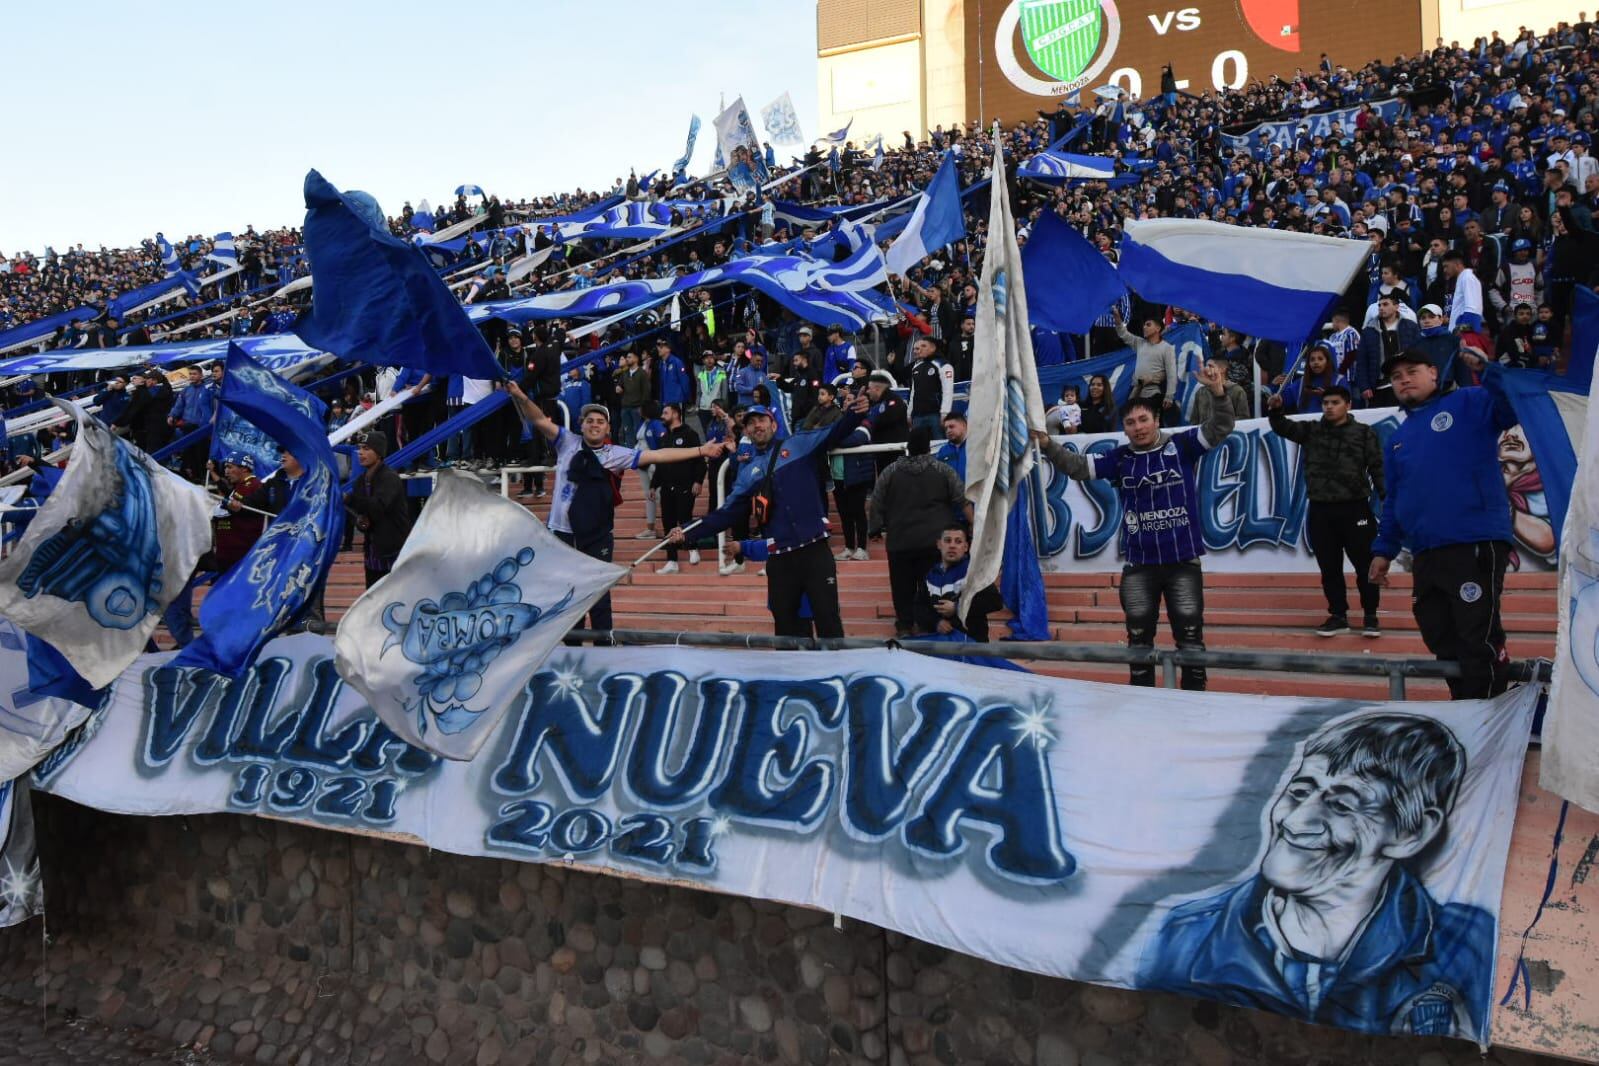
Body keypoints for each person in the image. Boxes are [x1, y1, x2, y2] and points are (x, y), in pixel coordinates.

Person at [1139, 712, 1493, 1040]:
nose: (1294, 822)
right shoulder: (1187, 935)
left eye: (1341, 805)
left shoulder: (1465, 944)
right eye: (1299, 792)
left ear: (1411, 832)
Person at [1033, 362, 1236, 690]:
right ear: (1124, 429)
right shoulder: (1119, 458)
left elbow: (1222, 425)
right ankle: (1143, 707)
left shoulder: (1182, 446)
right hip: (1139, 565)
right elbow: (1078, 467)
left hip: (1183, 562)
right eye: (1131, 422)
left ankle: (1197, 705)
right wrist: (1048, 446)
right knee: (1139, 641)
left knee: (1191, 640)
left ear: (1157, 421)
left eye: (1144, 420)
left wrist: (1217, 393)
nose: (1138, 427)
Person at [504, 382, 719, 637]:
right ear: (581, 425)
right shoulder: (566, 443)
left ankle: (604, 646)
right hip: (562, 533)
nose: (594, 424)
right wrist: (520, 395)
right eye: (590, 420)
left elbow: (659, 456)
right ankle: (573, 648)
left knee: (598, 595)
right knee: (566, 595)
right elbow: (538, 419)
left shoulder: (615, 454)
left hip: (596, 535)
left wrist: (700, 450)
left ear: (607, 428)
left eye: (600, 421)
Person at [1369, 349, 1518, 699]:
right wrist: (1383, 549)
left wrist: (1488, 371)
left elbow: (1510, 409)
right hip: (1426, 550)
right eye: (1396, 376)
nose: (1403, 379)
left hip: (1473, 540)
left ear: (1433, 373)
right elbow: (1394, 498)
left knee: (1476, 637)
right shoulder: (1396, 439)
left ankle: (1490, 719)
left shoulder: (1468, 402)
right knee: (1439, 635)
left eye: (1411, 370)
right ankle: (1465, 707)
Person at [668, 393, 876, 638]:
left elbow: (836, 430)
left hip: (815, 552)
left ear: (774, 424)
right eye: (751, 422)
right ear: (745, 431)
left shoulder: (799, 444)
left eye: (762, 420)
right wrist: (687, 531)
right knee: (787, 631)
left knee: (828, 621)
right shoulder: (747, 474)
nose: (757, 425)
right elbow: (724, 515)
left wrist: (855, 413)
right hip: (780, 561)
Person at [1267, 384, 1385, 637]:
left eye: (1335, 403)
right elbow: (1283, 427)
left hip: (1356, 509)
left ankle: (1371, 616)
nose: (1329, 407)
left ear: (1348, 405)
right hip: (1321, 511)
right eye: (1326, 403)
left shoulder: (1364, 433)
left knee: (1365, 565)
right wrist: (1276, 411)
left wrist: (1389, 501)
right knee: (1329, 567)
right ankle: (1338, 615)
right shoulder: (1312, 430)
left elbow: (1378, 468)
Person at [868, 426, 969, 637]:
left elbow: (876, 501)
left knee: (901, 588)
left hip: (899, 541)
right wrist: (973, 528)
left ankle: (904, 626)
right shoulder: (943, 470)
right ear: (928, 446)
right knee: (931, 588)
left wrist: (874, 528)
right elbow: (962, 499)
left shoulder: (891, 471)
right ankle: (930, 625)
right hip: (933, 542)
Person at [915, 524, 1004, 644]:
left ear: (966, 547)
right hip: (940, 644)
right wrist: (936, 622)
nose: (952, 545)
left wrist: (958, 608)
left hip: (972, 644)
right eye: (947, 541)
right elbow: (919, 608)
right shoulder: (930, 575)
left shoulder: (975, 573)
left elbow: (995, 602)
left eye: (958, 542)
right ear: (939, 544)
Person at [345, 431, 412, 589]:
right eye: (360, 448)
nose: (361, 452)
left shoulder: (390, 478)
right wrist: (359, 522)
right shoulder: (361, 481)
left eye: (366, 448)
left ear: (379, 453)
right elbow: (359, 513)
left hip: (394, 552)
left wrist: (348, 500)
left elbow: (376, 507)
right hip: (372, 553)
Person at [651, 402, 704, 573]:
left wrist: (698, 481)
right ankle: (671, 560)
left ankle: (692, 548)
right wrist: (653, 485)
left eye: (665, 413)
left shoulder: (690, 434)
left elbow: (700, 461)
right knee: (668, 523)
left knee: (685, 519)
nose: (662, 416)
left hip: (685, 486)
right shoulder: (664, 438)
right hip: (666, 488)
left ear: (675, 414)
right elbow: (660, 462)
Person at [1356, 295, 1421, 406]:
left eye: (1385, 304)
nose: (1381, 308)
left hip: (1406, 382)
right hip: (1378, 386)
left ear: (1396, 307)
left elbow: (1419, 354)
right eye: (1379, 305)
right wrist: (1364, 386)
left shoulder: (1410, 327)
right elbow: (1362, 361)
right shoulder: (1369, 330)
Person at [1114, 309, 1178, 413]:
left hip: (1153, 394)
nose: (1144, 327)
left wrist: (1169, 396)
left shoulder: (1167, 348)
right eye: (1144, 325)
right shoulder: (1140, 343)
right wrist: (1117, 318)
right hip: (1135, 392)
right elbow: (1123, 334)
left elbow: (1171, 374)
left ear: (1158, 328)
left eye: (1148, 325)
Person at [905, 337, 955, 435]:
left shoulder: (943, 365)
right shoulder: (916, 367)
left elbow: (948, 391)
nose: (920, 349)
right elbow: (913, 392)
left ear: (933, 348)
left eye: (924, 346)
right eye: (919, 347)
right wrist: (909, 414)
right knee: (918, 446)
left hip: (936, 414)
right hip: (918, 415)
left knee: (939, 443)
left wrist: (945, 413)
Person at [1189, 356, 1249, 423]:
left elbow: (1243, 418)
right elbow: (1194, 420)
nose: (1206, 369)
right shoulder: (1201, 392)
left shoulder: (1237, 391)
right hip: (1204, 432)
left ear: (1222, 369)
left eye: (1210, 366)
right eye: (1206, 366)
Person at [936, 411, 967, 479]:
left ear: (964, 425)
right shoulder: (942, 451)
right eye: (946, 428)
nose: (948, 431)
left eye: (951, 426)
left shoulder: (974, 446)